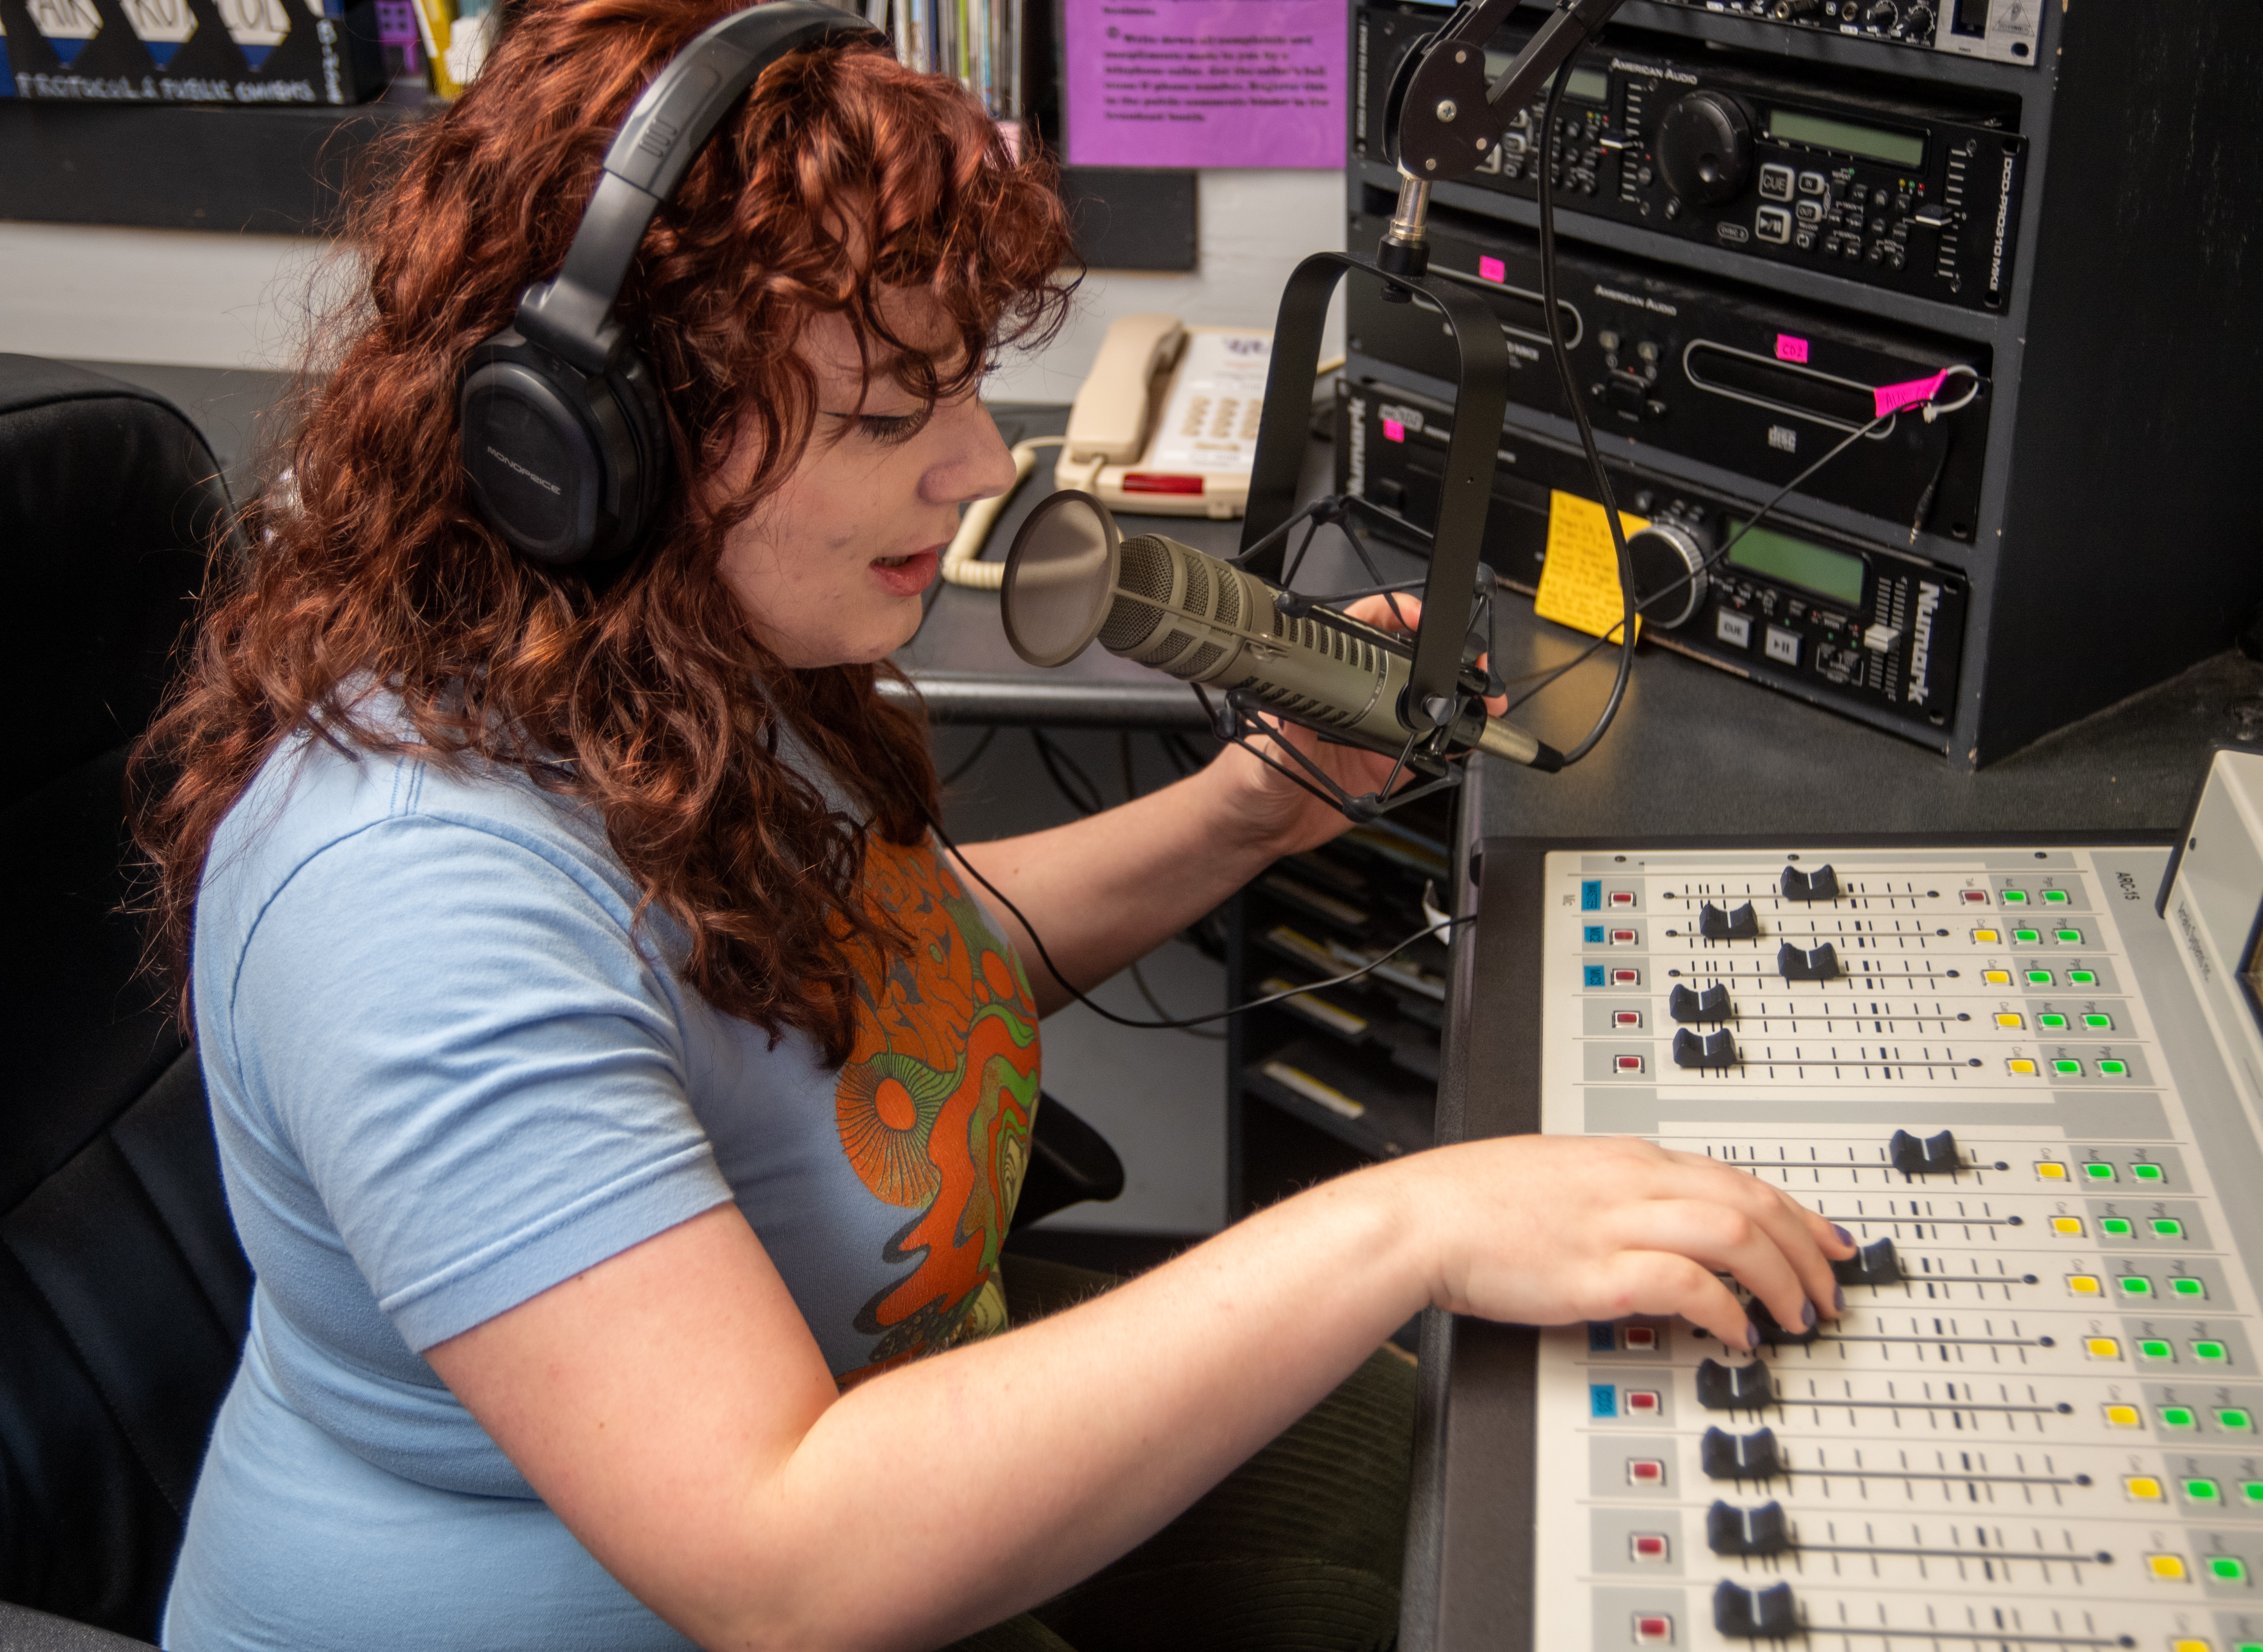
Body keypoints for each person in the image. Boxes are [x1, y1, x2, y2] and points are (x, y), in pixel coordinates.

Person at [132, 2, 1853, 1647]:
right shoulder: (410, 902)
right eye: (891, 416)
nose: (977, 467)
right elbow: (778, 1561)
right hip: (746, 1584)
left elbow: (870, 983)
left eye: (958, 388)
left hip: (896, 1433)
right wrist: (1402, 1222)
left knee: (1465, 1509)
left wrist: (1244, 816)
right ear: (601, 443)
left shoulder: (689, 661)